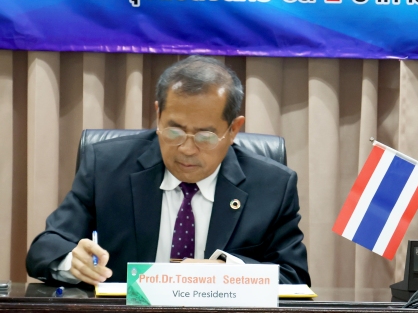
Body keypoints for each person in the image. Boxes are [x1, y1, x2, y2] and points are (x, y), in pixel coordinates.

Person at [27, 56, 310, 286]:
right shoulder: (107, 166)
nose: (186, 148)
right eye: (174, 131)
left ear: (233, 129)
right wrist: (73, 262)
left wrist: (230, 273)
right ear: (158, 114)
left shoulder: (272, 185)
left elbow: (294, 278)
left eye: (205, 136)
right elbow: (45, 248)